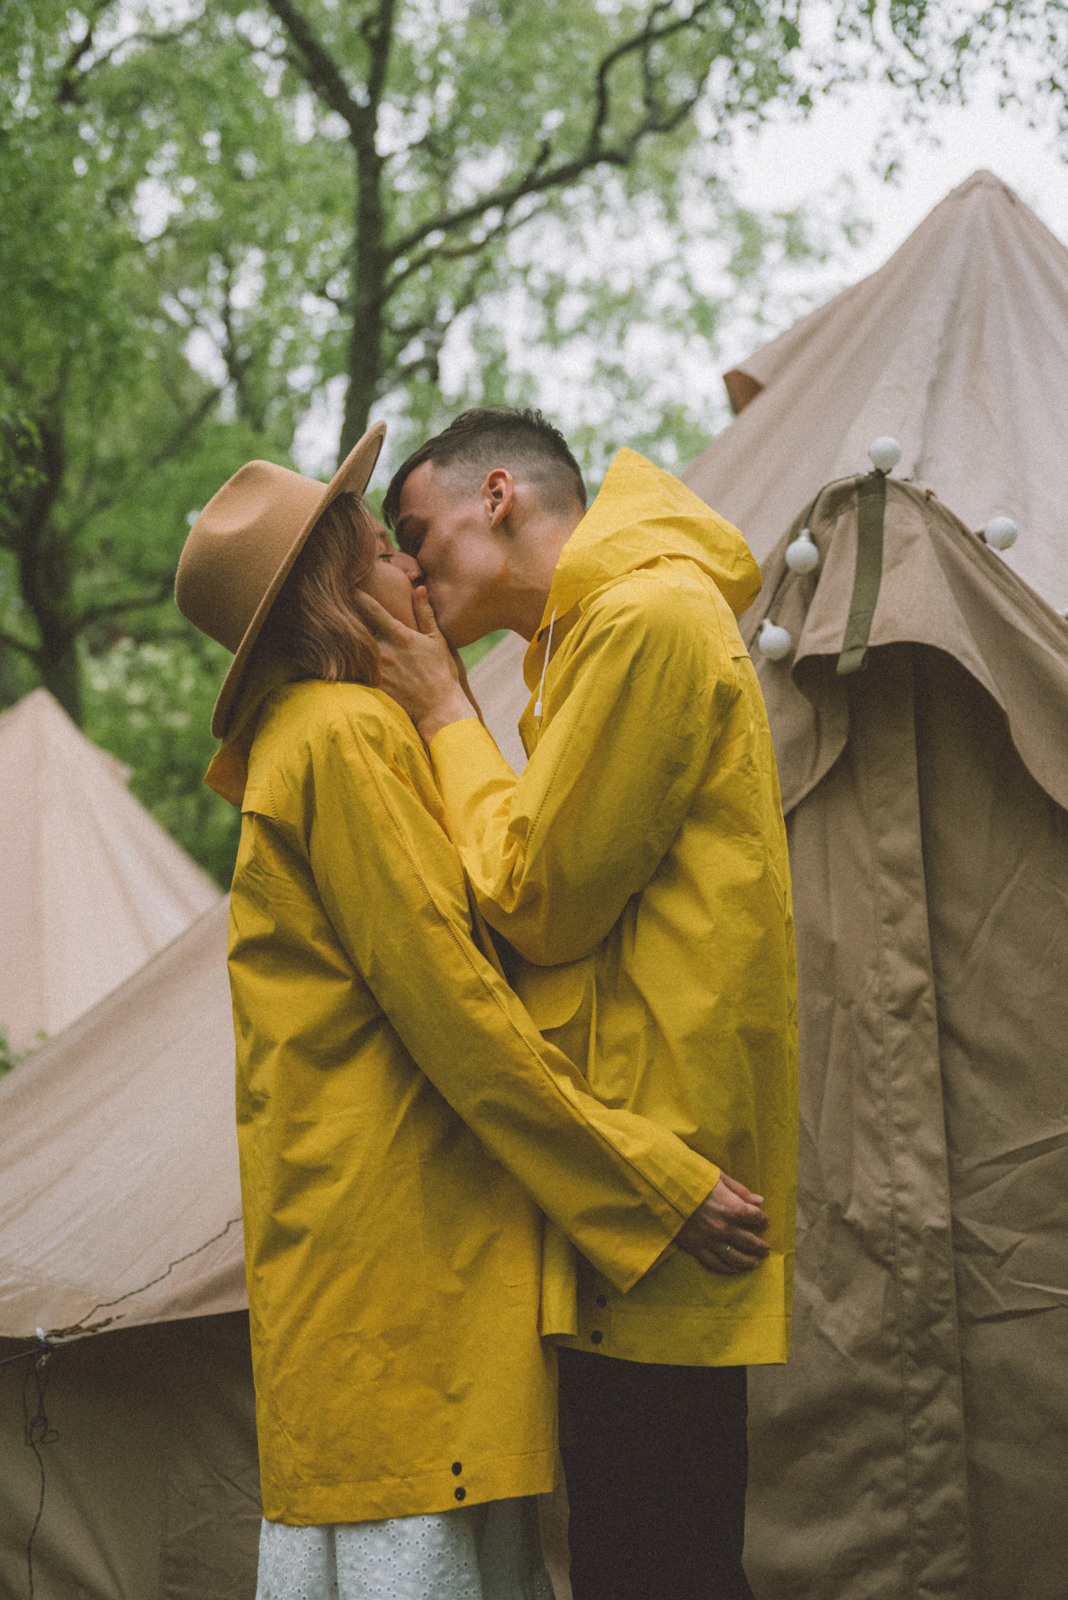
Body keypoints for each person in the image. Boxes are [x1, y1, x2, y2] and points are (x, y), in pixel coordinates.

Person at [173, 422, 771, 1600]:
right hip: (411, 1284)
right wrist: (649, 1178)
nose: (412, 572)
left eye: (414, 540)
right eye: (387, 551)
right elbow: (468, 1007)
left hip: (423, 1278)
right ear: (340, 587)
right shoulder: (341, 739)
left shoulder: (344, 731)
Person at [359, 407, 798, 1600]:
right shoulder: (592, 635)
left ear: (495, 495)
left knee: (660, 1561)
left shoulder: (646, 618)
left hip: (662, 1194)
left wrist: (446, 707)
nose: (405, 568)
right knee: (641, 1551)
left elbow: (540, 897)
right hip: (624, 1186)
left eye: (414, 532)